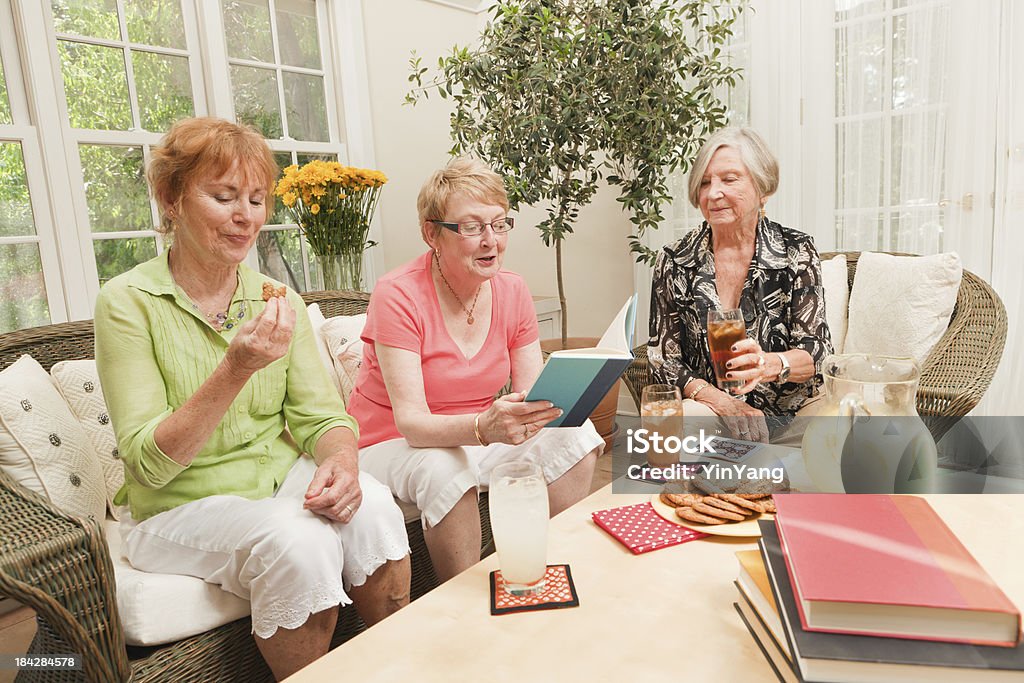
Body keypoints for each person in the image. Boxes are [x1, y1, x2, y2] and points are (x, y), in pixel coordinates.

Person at [94, 117, 411, 681]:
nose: (247, 217)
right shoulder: (127, 302)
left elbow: (323, 417)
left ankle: (395, 669)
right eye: (224, 197)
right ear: (171, 198)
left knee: (377, 507)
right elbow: (148, 462)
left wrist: (342, 461)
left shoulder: (274, 296)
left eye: (258, 199)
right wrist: (236, 367)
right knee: (298, 540)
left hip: (274, 480)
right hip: (177, 504)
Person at [347, 157, 602, 582]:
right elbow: (412, 425)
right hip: (387, 443)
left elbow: (532, 397)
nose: (491, 241)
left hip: (474, 436)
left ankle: (544, 569)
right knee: (445, 467)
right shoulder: (398, 294)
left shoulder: (512, 289)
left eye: (499, 224)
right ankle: (462, 601)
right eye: (471, 227)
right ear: (433, 234)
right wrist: (485, 428)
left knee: (577, 434)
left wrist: (562, 400)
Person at [647, 127, 832, 444]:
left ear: (763, 189)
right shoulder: (675, 260)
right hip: (716, 410)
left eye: (729, 179)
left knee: (847, 428)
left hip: (794, 411)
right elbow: (663, 359)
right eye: (705, 182)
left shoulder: (795, 251)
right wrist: (721, 402)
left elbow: (817, 352)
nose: (713, 193)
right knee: (678, 425)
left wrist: (768, 365)